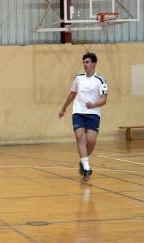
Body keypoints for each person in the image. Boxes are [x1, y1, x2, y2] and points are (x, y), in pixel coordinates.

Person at [58, 52, 108, 181]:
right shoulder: (78, 78)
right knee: (80, 136)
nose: (85, 65)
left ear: (93, 63)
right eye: (84, 62)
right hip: (78, 112)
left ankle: (83, 160)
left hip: (93, 113)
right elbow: (72, 94)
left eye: (87, 62)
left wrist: (94, 104)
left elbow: (104, 99)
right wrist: (64, 107)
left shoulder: (100, 80)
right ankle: (86, 168)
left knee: (90, 141)